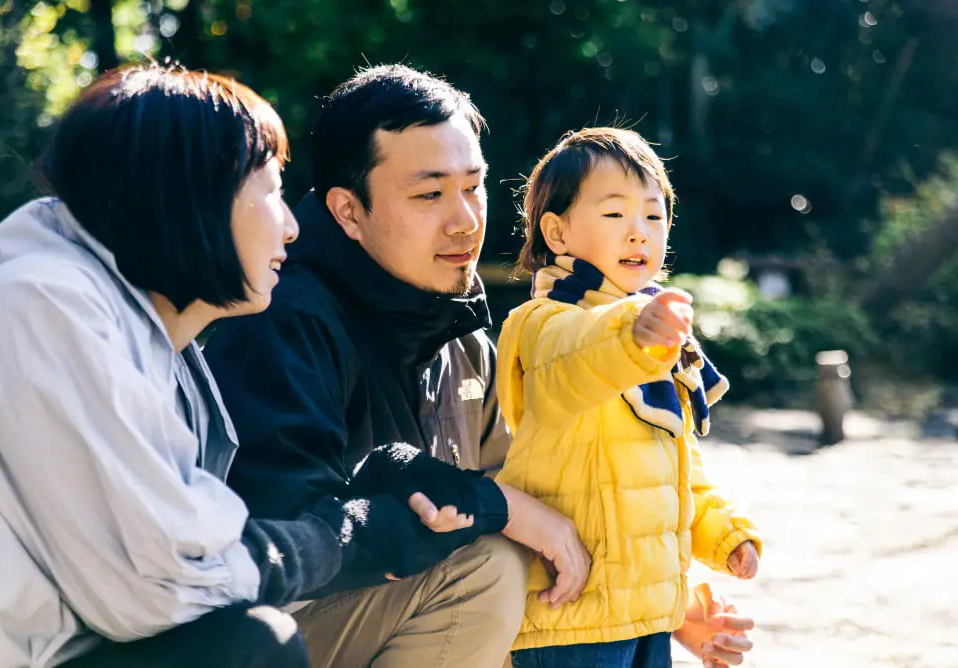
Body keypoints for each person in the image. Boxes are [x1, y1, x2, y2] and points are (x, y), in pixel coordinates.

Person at [205, 64, 758, 668]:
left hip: (389, 610)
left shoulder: (453, 328)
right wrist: (497, 508)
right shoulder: (282, 320)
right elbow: (292, 535)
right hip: (268, 628)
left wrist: (653, 610)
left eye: (473, 186)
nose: (466, 220)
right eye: (429, 194)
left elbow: (550, 497)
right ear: (347, 211)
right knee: (486, 569)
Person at [0, 63, 427, 667]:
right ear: (194, 196)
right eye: (272, 192)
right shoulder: (39, 305)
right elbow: (159, 587)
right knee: (251, 645)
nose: (289, 226)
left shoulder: (151, 336)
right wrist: (334, 541)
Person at [493, 126, 763, 668]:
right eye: (615, 215)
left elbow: (676, 471)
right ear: (557, 231)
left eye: (654, 215)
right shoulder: (543, 324)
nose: (639, 232)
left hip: (646, 615)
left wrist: (725, 534)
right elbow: (575, 358)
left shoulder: (653, 336)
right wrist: (632, 331)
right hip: (565, 622)